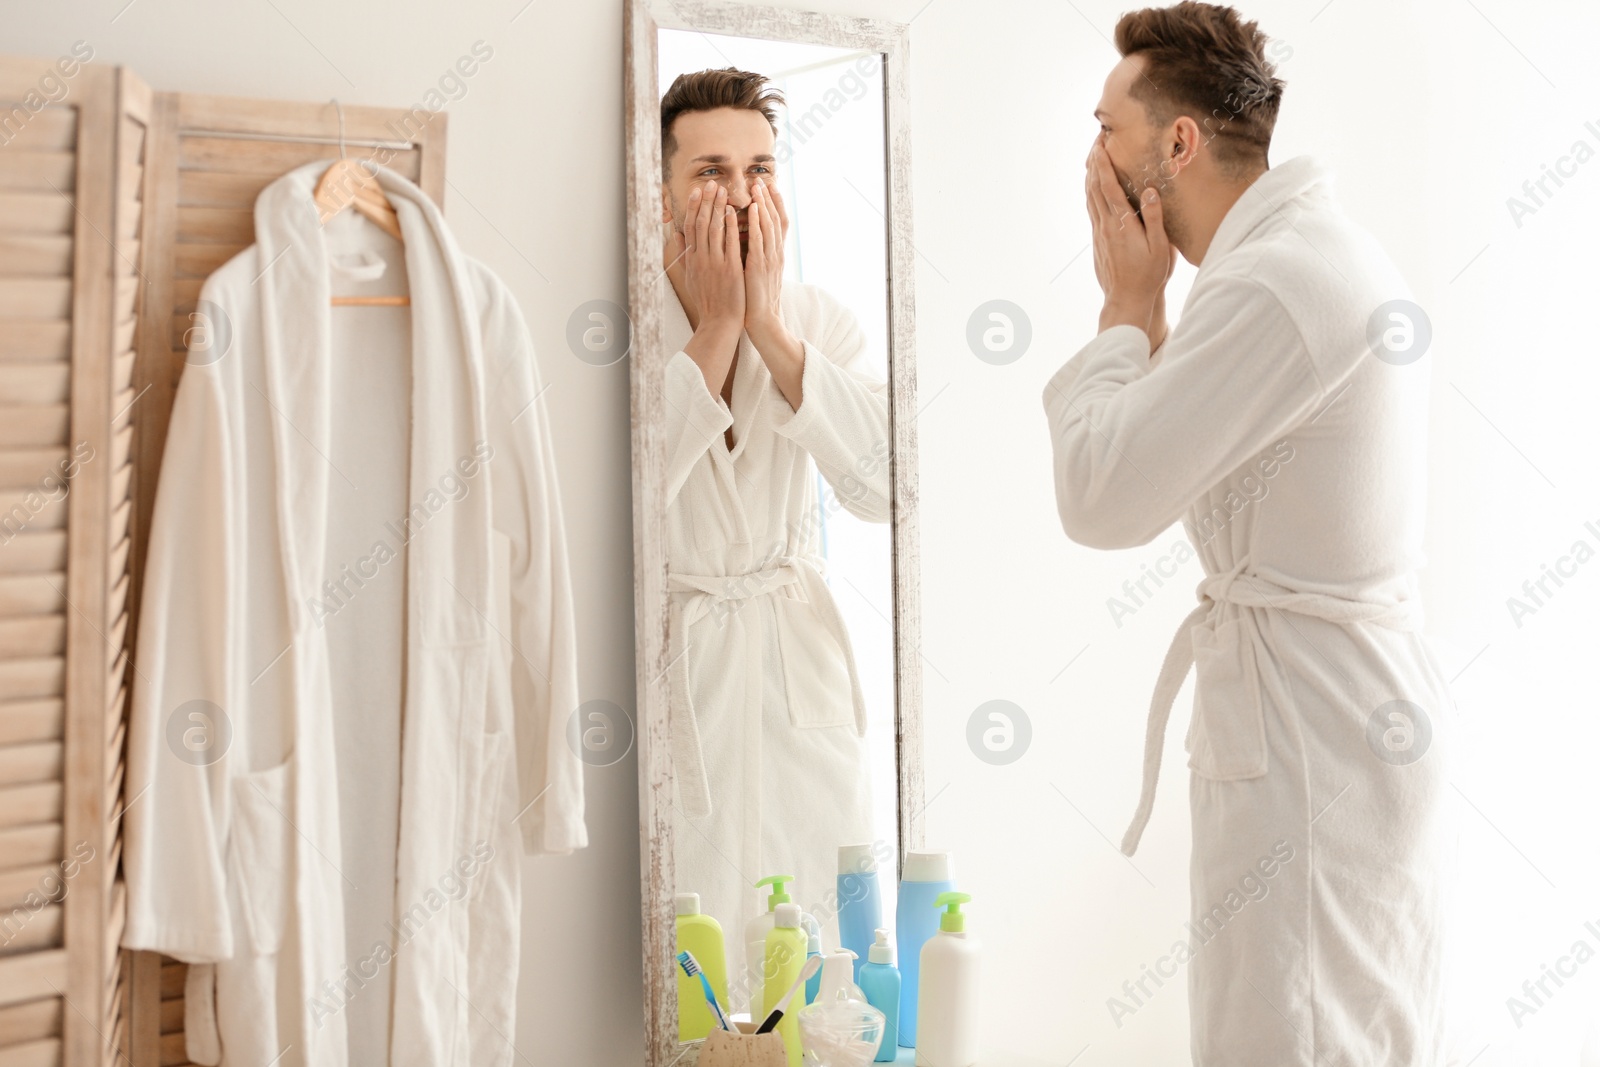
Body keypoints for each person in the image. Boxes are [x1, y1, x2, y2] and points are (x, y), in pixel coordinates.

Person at [1043, 3, 1456, 1063]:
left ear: (1175, 144)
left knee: (1295, 1036)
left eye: (1104, 129)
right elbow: (1177, 452)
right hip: (1324, 721)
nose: (1091, 158)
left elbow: (1102, 494)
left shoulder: (1275, 285)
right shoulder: (1287, 260)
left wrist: (1127, 306)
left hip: (1312, 742)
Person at [658, 67, 891, 1011]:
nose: (743, 193)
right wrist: (715, 327)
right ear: (660, 192)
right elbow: (619, 503)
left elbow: (884, 485)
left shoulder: (819, 320)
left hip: (798, 672)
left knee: (821, 960)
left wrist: (767, 326)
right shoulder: (621, 328)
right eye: (711, 170)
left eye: (760, 166)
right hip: (689, 670)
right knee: (693, 947)